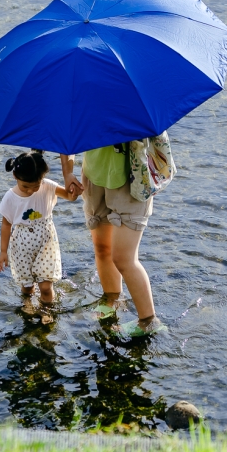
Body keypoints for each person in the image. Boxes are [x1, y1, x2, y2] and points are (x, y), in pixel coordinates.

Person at [60, 144, 163, 338]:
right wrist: (67, 172)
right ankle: (113, 298)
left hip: (133, 176)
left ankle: (149, 321)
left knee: (123, 258)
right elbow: (68, 128)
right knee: (102, 248)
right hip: (95, 174)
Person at [0, 151, 78, 322]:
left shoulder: (47, 186)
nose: (31, 191)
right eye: (25, 186)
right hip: (21, 245)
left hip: (46, 244)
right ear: (15, 176)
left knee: (46, 285)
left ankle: (46, 309)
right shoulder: (10, 197)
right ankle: (27, 302)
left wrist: (73, 190)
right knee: (26, 286)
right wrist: (3, 251)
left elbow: (69, 197)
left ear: (42, 178)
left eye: (36, 186)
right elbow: (6, 224)